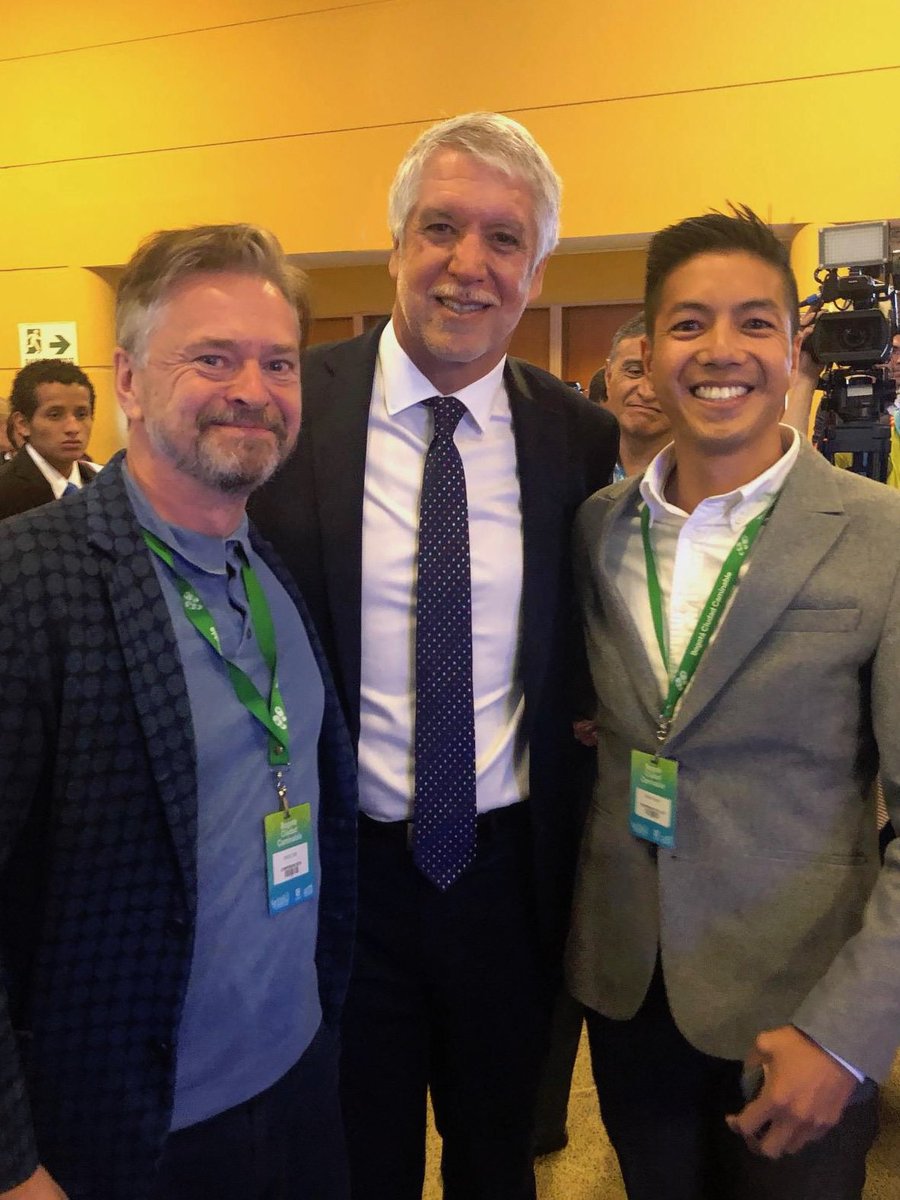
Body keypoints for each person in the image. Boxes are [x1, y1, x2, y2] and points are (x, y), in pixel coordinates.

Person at [250, 112, 618, 1200]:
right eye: (441, 228)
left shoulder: (574, 434)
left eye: (504, 240)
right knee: (356, 1160)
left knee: (500, 1155)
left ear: (537, 266)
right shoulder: (292, 409)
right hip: (336, 875)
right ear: (397, 242)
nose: (469, 264)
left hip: (510, 872)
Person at [0, 224, 357, 1200]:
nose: (252, 387)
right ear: (128, 378)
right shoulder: (30, 581)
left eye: (277, 361)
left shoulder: (269, 568)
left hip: (298, 1088)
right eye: (213, 356)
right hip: (127, 1132)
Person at [567, 205, 900, 1200]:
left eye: (754, 322)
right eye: (688, 324)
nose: (722, 351)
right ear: (650, 350)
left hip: (798, 1010)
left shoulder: (881, 538)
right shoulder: (595, 530)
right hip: (630, 996)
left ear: (792, 344)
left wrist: (847, 1037)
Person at [0, 360, 99, 519]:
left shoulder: (104, 487)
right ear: (22, 424)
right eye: (55, 415)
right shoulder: (5, 492)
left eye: (81, 415)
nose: (73, 428)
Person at [600, 313, 672, 479]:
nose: (646, 392)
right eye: (634, 372)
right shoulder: (567, 467)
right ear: (608, 376)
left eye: (662, 377)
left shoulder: (710, 480)